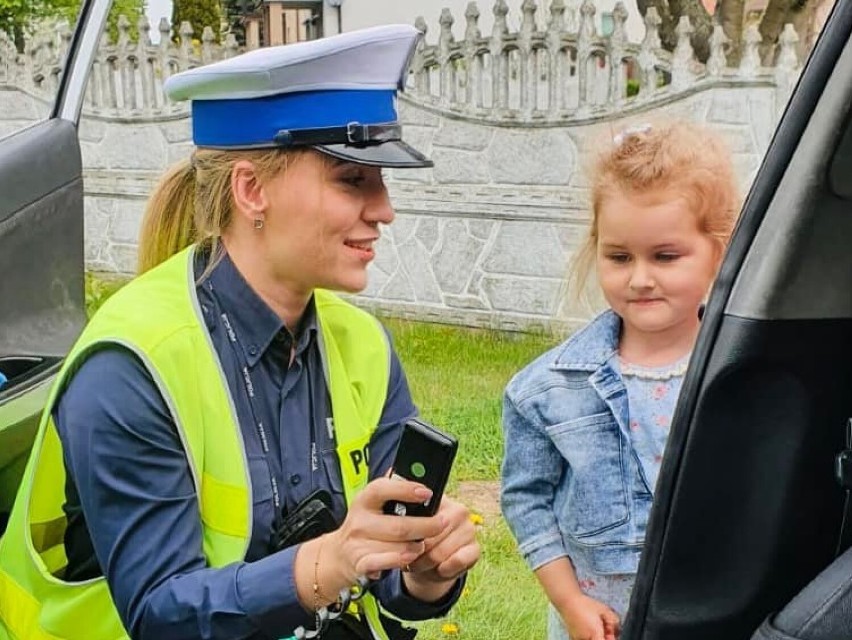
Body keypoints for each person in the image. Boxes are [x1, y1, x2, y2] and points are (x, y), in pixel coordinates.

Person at [0, 25, 479, 640]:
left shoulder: (362, 345)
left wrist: (422, 577)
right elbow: (158, 614)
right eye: (353, 179)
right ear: (252, 189)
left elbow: (385, 580)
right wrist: (324, 564)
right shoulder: (132, 364)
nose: (384, 208)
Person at [500, 121, 740, 640]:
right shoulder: (548, 390)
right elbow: (527, 501)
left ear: (718, 251)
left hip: (708, 614)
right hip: (600, 624)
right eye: (619, 257)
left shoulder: (743, 377)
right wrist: (570, 602)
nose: (639, 278)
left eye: (665, 256)